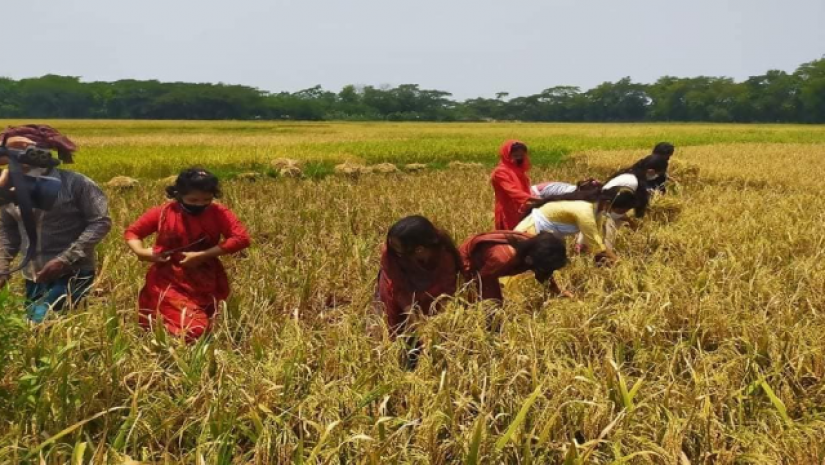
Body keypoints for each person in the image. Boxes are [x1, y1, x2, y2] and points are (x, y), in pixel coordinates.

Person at [125, 168, 250, 342]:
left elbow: (241, 238)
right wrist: (141, 252)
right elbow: (133, 233)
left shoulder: (218, 213)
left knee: (211, 323)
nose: (200, 204)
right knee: (196, 329)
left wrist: (203, 255)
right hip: (168, 278)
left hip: (206, 276)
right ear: (179, 194)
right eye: (193, 200)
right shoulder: (163, 213)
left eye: (206, 199)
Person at [0, 129, 111, 324]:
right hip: (33, 275)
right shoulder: (8, 189)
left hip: (72, 272)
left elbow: (100, 222)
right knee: (39, 333)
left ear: (41, 151)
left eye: (22, 148)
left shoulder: (76, 183)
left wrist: (64, 259)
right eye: (9, 149)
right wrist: (3, 264)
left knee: (39, 324)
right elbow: (8, 230)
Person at [376, 215, 461, 338]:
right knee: (396, 328)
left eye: (399, 250)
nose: (395, 252)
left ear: (419, 250)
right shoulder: (391, 255)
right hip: (399, 294)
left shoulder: (444, 256)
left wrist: (439, 326)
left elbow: (447, 292)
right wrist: (416, 323)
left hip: (434, 297)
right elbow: (399, 290)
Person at [515, 187, 638, 264]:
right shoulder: (585, 212)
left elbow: (597, 237)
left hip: (545, 236)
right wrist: (620, 264)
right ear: (608, 203)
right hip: (531, 231)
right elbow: (596, 245)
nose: (622, 214)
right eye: (621, 210)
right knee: (523, 266)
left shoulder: (598, 211)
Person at [459, 231, 569, 303]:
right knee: (490, 303)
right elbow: (482, 282)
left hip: (490, 267)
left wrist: (558, 292)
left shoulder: (535, 247)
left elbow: (544, 273)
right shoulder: (503, 258)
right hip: (470, 263)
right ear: (529, 260)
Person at [492, 140, 536, 230]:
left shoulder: (520, 171)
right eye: (515, 154)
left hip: (521, 210)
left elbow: (527, 189)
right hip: (507, 212)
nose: (519, 157)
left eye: (521, 155)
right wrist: (536, 199)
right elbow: (513, 191)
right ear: (507, 154)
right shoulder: (500, 172)